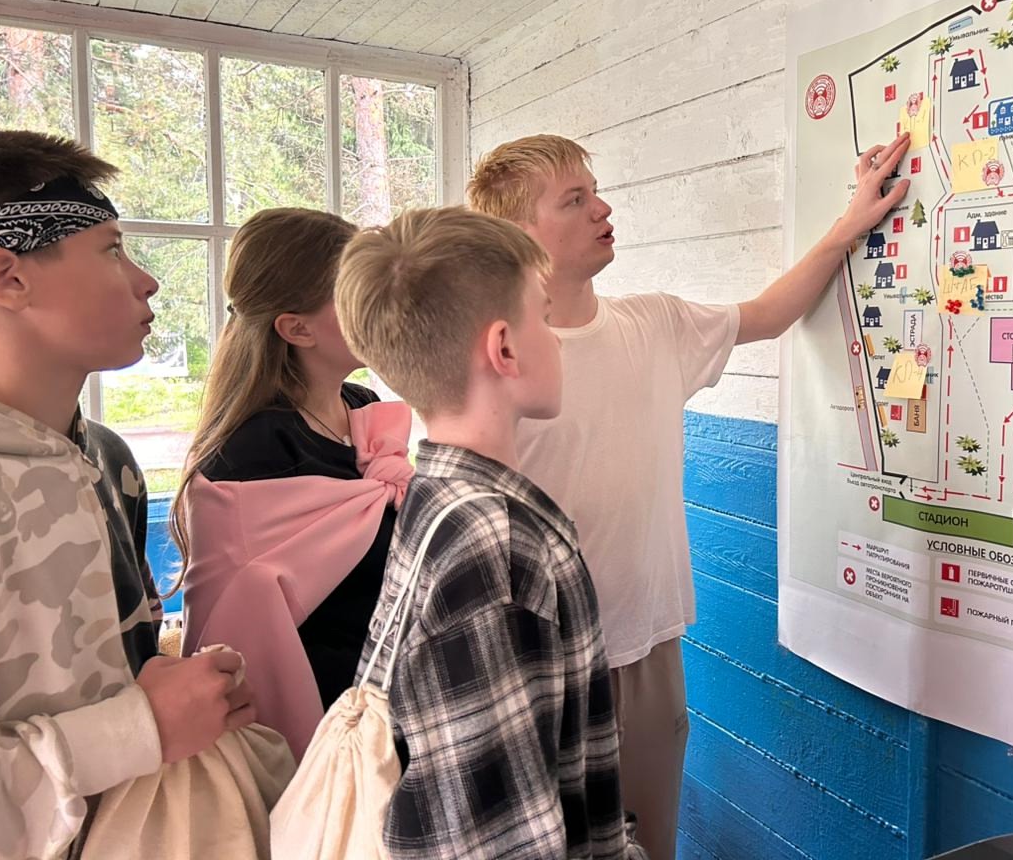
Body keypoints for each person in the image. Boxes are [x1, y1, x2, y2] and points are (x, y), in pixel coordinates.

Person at [467, 131, 912, 859]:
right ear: (521, 234)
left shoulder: (655, 323)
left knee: (651, 843)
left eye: (595, 191)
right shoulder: (499, 361)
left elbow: (767, 313)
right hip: (537, 665)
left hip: (647, 646)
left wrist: (850, 224)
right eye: (574, 200)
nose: (602, 208)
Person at [337, 205, 647, 859]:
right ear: (504, 348)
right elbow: (501, 841)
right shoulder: (494, 542)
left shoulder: (440, 492)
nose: (556, 339)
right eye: (544, 316)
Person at [0, 128, 256, 859]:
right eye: (111, 250)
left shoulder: (109, 459)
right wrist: (139, 729)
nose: (147, 281)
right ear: (7, 277)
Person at [174, 208, 413, 759]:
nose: (383, 305)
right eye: (357, 292)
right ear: (297, 328)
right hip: (322, 732)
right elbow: (240, 626)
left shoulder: (363, 408)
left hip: (387, 705)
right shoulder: (256, 451)